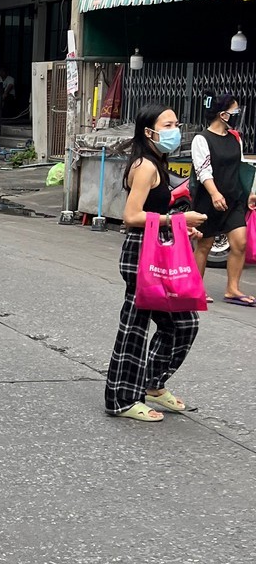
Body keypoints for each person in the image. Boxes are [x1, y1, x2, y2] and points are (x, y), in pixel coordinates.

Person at [105, 103, 207, 421]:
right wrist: (175, 219)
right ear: (149, 131)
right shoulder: (146, 166)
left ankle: (151, 383)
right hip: (141, 252)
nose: (175, 130)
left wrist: (179, 225)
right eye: (168, 125)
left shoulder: (158, 162)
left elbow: (153, 213)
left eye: (176, 123)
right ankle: (121, 400)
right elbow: (131, 216)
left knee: (182, 324)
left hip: (155, 247)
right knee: (134, 327)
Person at [190, 93, 256, 308]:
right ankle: (196, 288)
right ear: (223, 115)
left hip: (233, 198)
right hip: (208, 200)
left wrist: (249, 193)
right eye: (234, 112)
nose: (237, 115)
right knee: (204, 244)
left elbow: (240, 167)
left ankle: (232, 289)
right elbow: (202, 170)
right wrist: (214, 193)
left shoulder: (235, 137)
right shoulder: (202, 139)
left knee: (240, 243)